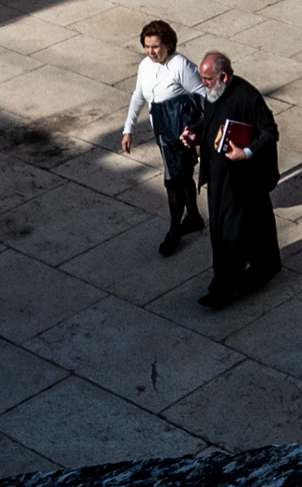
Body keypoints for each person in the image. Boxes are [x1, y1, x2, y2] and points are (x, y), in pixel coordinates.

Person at [193, 52, 282, 309]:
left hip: (241, 180)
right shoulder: (213, 94)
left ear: (223, 76)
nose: (204, 84)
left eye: (208, 79)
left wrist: (246, 153)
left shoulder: (248, 97)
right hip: (218, 178)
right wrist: (195, 133)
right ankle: (267, 265)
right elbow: (209, 122)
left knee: (230, 234)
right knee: (249, 225)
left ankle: (222, 288)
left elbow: (270, 132)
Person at [119, 19, 207, 255]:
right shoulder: (145, 66)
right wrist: (128, 129)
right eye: (147, 46)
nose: (151, 52)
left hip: (181, 133)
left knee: (173, 181)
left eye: (156, 46)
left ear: (168, 44)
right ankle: (195, 217)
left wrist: (200, 128)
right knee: (183, 174)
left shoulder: (180, 65)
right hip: (163, 133)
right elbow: (138, 96)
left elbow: (203, 94)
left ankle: (174, 231)